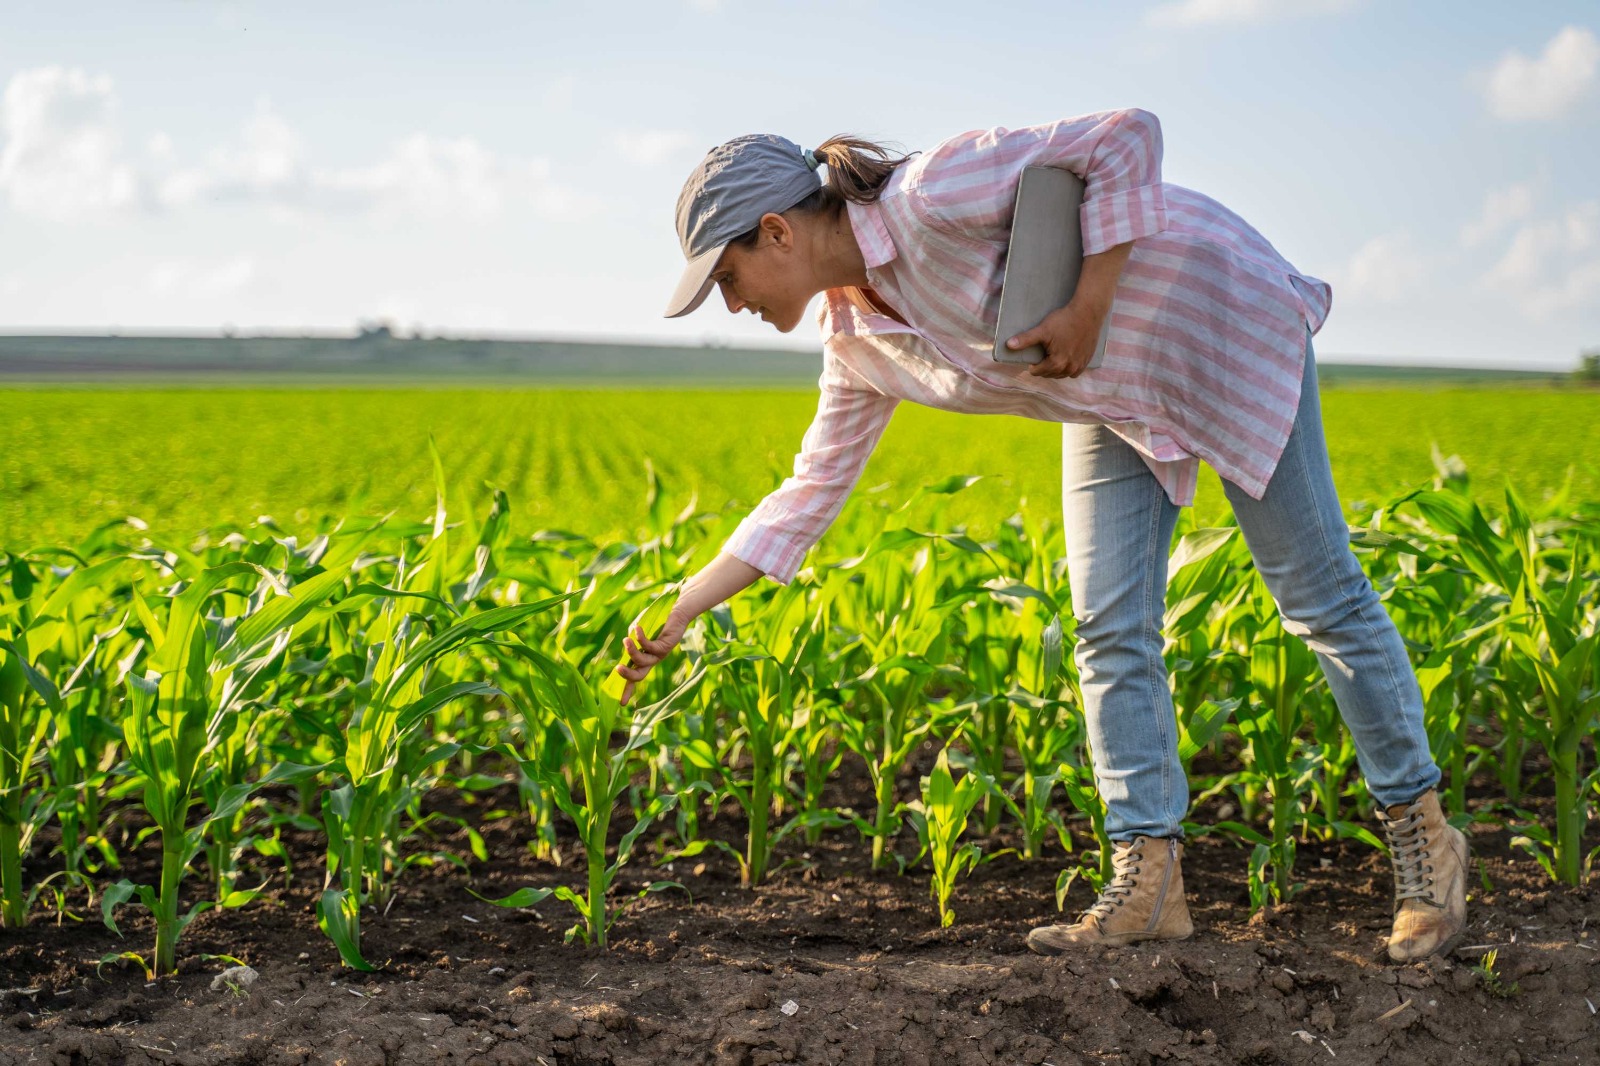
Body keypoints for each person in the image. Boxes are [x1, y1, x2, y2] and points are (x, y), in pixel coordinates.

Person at [620, 111, 1469, 964]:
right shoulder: (858, 341)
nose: (730, 303)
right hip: (1110, 393)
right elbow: (809, 491)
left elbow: (1125, 136)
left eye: (727, 276)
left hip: (1210, 319)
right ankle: (1151, 882)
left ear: (776, 232)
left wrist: (1090, 303)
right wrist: (687, 606)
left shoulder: (930, 195)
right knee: (1107, 626)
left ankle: (1424, 839)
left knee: (1316, 594)